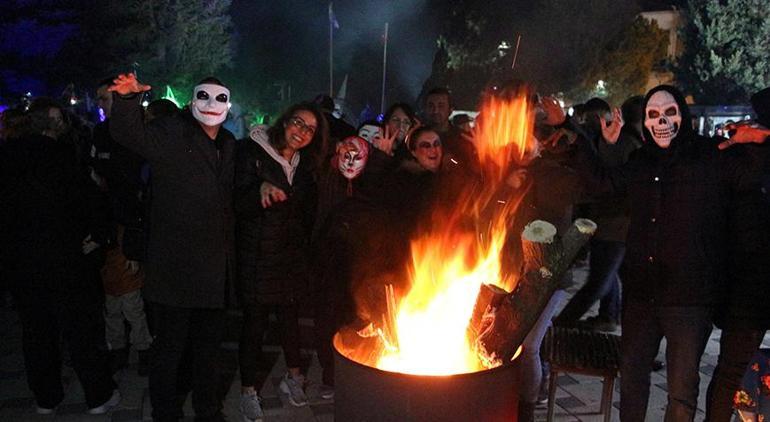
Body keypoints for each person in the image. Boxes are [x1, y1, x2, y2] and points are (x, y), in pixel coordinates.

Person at [574, 85, 764, 422]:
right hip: (641, 297)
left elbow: (751, 176)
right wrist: (587, 136)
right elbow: (600, 184)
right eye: (653, 115)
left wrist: (759, 138)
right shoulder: (640, 162)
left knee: (681, 392)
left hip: (690, 300)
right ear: (645, 123)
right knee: (632, 384)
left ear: (683, 116)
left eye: (670, 113)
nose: (662, 121)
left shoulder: (711, 155)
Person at [109, 73, 236, 422]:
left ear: (229, 104)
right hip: (175, 267)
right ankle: (165, 413)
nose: (212, 105)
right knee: (170, 350)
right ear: (193, 101)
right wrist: (125, 100)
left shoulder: (228, 143)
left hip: (212, 270)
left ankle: (207, 411)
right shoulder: (170, 133)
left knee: (208, 351)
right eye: (204, 97)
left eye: (220, 98)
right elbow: (127, 134)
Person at [0, 98, 120, 415]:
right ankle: (98, 394)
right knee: (80, 329)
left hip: (22, 261)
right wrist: (97, 234)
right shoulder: (61, 156)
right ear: (54, 121)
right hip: (65, 257)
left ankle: (46, 397)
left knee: (36, 331)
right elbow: (85, 201)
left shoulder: (7, 156)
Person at [234, 103, 327, 416]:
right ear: (284, 120)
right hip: (257, 255)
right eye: (297, 123)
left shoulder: (305, 166)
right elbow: (235, 200)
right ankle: (248, 391)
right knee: (255, 325)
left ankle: (294, 376)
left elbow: (308, 212)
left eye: (309, 129)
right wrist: (258, 189)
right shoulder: (251, 151)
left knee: (291, 322)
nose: (300, 131)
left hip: (290, 257)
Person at [705, 86, 770, 422]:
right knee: (732, 369)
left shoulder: (735, 153)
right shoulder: (746, 159)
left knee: (729, 369)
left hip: (741, 283)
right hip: (750, 284)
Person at [554, 97, 640, 332]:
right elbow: (604, 178)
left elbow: (605, 178)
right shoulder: (625, 142)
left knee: (606, 278)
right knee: (604, 277)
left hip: (617, 224)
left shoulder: (630, 143)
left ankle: (583, 321)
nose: (592, 122)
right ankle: (595, 319)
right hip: (612, 222)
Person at [423, 87, 477, 171]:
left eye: (441, 106)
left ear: (450, 110)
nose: (435, 111)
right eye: (431, 106)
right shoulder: (416, 137)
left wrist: (454, 162)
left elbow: (472, 168)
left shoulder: (463, 138)